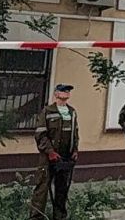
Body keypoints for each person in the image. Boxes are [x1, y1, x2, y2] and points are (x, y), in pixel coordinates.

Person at [29, 84, 79, 220]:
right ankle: (36, 217)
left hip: (65, 157)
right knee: (42, 188)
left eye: (68, 91)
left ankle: (60, 216)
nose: (66, 93)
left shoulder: (72, 112)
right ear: (56, 93)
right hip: (47, 157)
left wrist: (75, 150)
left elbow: (75, 133)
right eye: (63, 90)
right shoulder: (47, 111)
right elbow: (40, 134)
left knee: (62, 189)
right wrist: (50, 151)